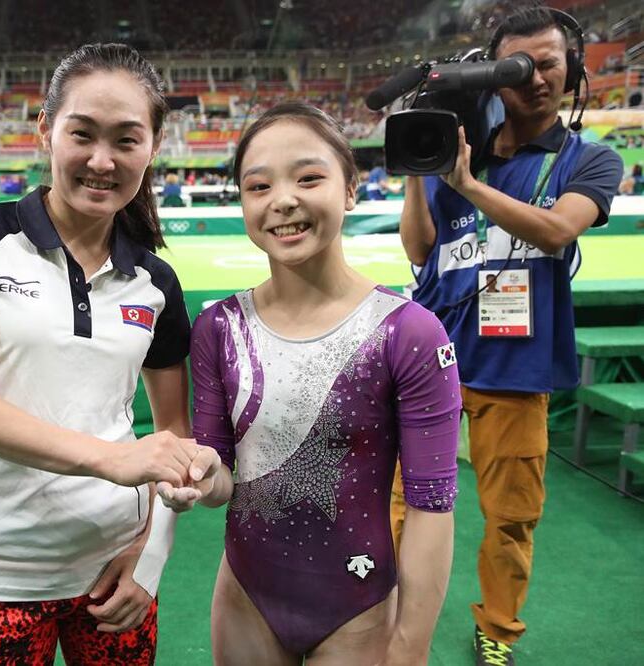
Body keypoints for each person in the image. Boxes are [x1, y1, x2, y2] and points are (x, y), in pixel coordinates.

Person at [0, 43, 203, 666]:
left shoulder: (156, 282)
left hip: (114, 570)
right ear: (46, 129)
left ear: (153, 147)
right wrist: (111, 461)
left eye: (127, 139)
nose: (102, 160)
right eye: (82, 134)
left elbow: (174, 438)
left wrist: (149, 558)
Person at [166, 102, 460, 665]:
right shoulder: (218, 328)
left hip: (359, 604)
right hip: (245, 597)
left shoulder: (409, 332)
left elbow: (431, 506)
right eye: (259, 185)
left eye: (308, 177)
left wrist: (411, 644)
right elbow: (225, 475)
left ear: (350, 189)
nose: (283, 200)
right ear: (244, 202)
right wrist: (200, 479)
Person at [395, 7, 623, 664]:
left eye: (546, 63)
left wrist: (466, 184)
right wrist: (423, 166)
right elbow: (419, 249)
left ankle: (495, 629)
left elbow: (556, 231)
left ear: (571, 69)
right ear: (492, 79)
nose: (532, 79)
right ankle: (380, 606)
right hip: (429, 363)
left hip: (515, 372)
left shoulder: (590, 159)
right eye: (514, 68)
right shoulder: (456, 150)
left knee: (510, 517)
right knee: (401, 509)